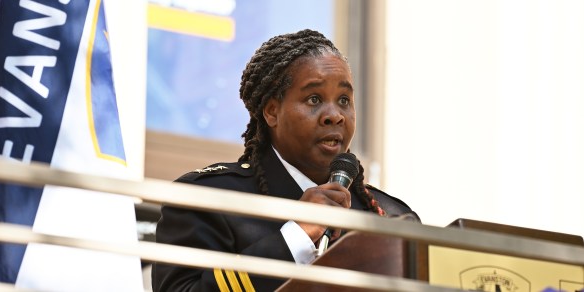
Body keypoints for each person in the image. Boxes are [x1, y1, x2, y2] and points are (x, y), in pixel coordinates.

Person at [152, 29, 420, 291]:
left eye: (344, 100)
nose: (335, 115)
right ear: (272, 112)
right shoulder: (205, 200)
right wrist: (297, 236)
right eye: (314, 99)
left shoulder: (388, 216)